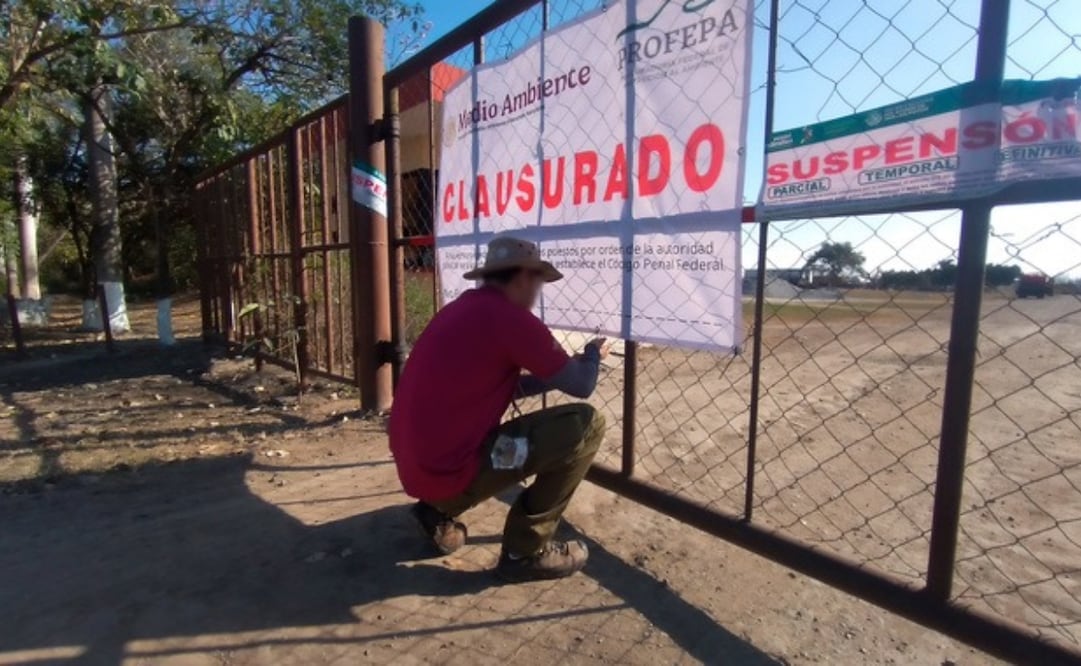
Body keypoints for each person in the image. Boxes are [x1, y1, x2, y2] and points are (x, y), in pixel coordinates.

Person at [389, 236, 608, 583]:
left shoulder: (465, 309)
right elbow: (583, 387)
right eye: (537, 282)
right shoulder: (510, 318)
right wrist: (593, 355)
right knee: (587, 424)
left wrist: (557, 372)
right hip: (448, 472)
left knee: (495, 437)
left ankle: (436, 510)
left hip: (417, 469)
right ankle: (526, 551)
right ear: (523, 277)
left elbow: (506, 384)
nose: (537, 292)